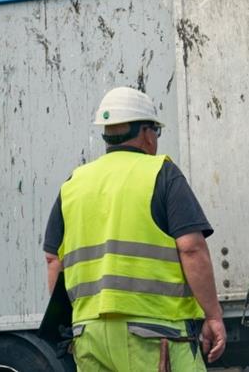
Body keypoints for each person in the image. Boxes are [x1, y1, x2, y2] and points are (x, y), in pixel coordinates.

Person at [43, 87, 227, 370]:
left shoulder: (74, 183)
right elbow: (191, 248)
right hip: (155, 332)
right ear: (146, 132)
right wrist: (213, 315)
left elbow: (53, 259)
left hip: (88, 336)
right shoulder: (161, 174)